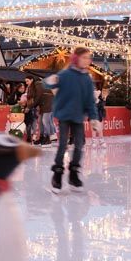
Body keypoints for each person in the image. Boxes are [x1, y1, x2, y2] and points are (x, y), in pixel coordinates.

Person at [45, 47, 98, 193]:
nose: (88, 60)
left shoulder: (87, 78)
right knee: (63, 145)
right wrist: (50, 81)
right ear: (76, 58)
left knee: (80, 145)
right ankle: (57, 174)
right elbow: (48, 84)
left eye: (89, 58)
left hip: (78, 117)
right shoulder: (65, 74)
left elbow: (90, 101)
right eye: (85, 57)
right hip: (64, 115)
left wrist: (94, 118)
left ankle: (73, 174)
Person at [25, 75, 43, 144]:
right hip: (30, 106)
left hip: (34, 107)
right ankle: (30, 137)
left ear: (32, 80)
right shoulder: (29, 87)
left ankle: (34, 137)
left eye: (27, 81)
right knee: (29, 122)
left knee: (34, 122)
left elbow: (36, 97)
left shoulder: (35, 87)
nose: (26, 83)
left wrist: (31, 106)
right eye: (26, 81)